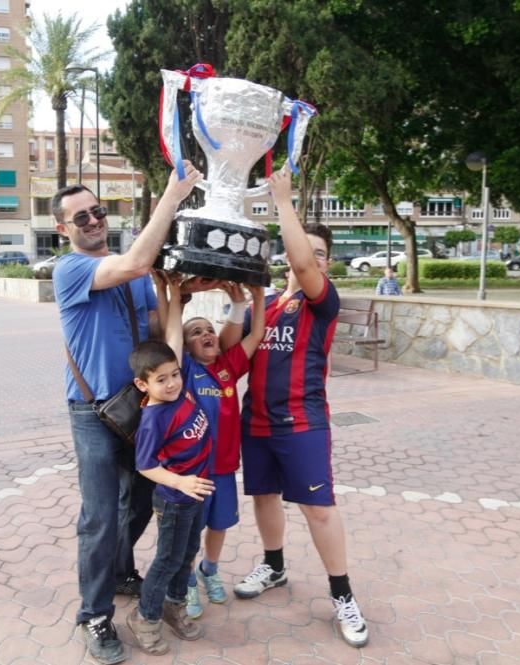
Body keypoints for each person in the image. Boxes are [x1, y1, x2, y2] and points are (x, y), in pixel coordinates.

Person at [52, 161, 205, 665]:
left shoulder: (133, 273)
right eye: (81, 217)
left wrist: (183, 292)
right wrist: (173, 194)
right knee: (98, 517)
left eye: (98, 211)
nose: (94, 220)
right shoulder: (71, 270)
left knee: (138, 504)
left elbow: (159, 330)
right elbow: (137, 264)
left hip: (141, 411)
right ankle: (94, 613)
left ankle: (120, 573)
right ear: (63, 229)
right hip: (93, 412)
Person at [221, 169, 369, 648]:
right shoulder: (267, 306)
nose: (310, 259)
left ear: (325, 263)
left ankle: (343, 594)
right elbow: (228, 353)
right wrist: (235, 305)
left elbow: (304, 268)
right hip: (256, 422)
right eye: (307, 251)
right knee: (263, 498)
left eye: (320, 253)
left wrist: (283, 201)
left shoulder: (321, 301)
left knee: (318, 509)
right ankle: (275, 565)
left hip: (302, 423)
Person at [152, 275, 266, 620]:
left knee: (219, 524)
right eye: (195, 332)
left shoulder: (228, 367)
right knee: (189, 530)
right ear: (185, 347)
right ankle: (185, 580)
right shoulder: (182, 370)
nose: (205, 334)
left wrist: (255, 297)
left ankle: (209, 570)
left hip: (224, 467)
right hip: (190, 472)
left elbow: (256, 334)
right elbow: (170, 334)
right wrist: (173, 294)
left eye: (209, 329)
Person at [124, 334, 214, 655]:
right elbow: (146, 466)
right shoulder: (153, 419)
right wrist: (179, 483)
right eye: (161, 380)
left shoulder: (182, 393)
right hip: (175, 500)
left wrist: (174, 295)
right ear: (142, 384)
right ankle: (145, 618)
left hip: (197, 494)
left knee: (188, 553)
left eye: (175, 374)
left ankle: (173, 607)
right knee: (167, 560)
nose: (173, 383)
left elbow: (175, 344)